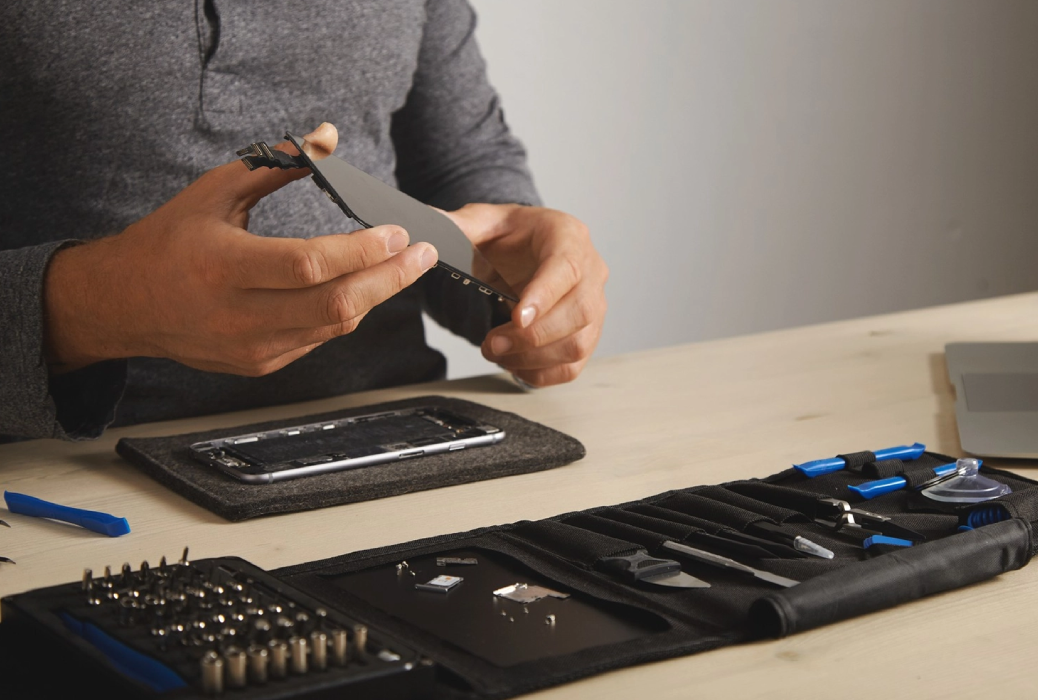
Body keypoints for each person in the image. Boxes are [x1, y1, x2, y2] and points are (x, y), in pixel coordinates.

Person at [0, 1, 608, 442]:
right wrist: (104, 303)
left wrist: (522, 285)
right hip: (64, 479)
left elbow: (459, 164)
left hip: (402, 434)